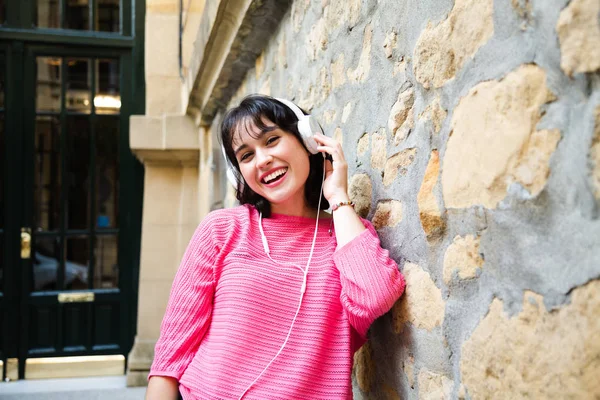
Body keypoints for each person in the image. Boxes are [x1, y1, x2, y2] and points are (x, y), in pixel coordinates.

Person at [145, 95, 406, 400]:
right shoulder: (222, 230)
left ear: (307, 141)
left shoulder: (346, 236)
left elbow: (377, 295)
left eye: (271, 140)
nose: (262, 160)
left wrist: (337, 196)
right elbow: (172, 353)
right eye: (246, 156)